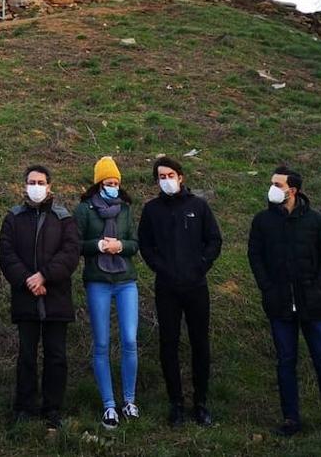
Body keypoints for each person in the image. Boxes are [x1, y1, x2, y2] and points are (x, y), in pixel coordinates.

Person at [248, 166, 321, 443]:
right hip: (279, 304)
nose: (272, 188)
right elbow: (255, 256)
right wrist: (267, 288)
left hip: (313, 306)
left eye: (278, 184)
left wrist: (318, 289)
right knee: (285, 362)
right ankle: (291, 419)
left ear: (293, 190)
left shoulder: (315, 221)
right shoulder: (263, 221)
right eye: (272, 183)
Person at [137, 155, 222, 427]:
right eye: (161, 177)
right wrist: (160, 268)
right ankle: (176, 403)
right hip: (167, 288)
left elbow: (214, 240)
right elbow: (145, 245)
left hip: (196, 286)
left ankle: (201, 403)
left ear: (180, 177)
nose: (166, 181)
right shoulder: (151, 210)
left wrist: (201, 266)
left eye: (169, 175)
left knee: (200, 344)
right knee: (168, 344)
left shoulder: (199, 206)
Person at [0, 165, 80, 433]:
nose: (36, 186)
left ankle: (52, 408)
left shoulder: (64, 217)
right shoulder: (13, 217)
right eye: (31, 181)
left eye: (41, 181)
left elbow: (70, 253)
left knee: (56, 356)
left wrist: (44, 276)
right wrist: (28, 280)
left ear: (49, 186)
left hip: (56, 297)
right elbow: (6, 253)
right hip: (25, 297)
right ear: (24, 186)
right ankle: (24, 407)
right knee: (26, 356)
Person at [74, 156, 141, 429]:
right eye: (108, 182)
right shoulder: (84, 209)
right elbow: (76, 244)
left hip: (126, 281)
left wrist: (120, 246)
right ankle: (109, 404)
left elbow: (135, 244)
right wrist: (99, 245)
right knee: (101, 343)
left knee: (129, 339)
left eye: (116, 182)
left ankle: (129, 399)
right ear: (99, 183)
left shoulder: (125, 209)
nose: (113, 186)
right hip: (98, 281)